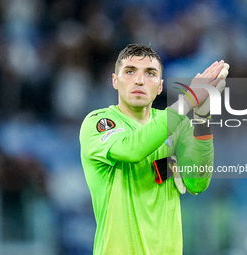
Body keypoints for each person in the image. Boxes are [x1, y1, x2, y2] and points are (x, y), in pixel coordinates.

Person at [79, 43, 228, 254]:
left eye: (150, 73)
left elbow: (197, 182)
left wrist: (202, 117)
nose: (139, 80)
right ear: (115, 81)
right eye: (130, 71)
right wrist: (189, 101)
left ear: (160, 86)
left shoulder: (178, 125)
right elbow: (132, 150)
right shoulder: (99, 122)